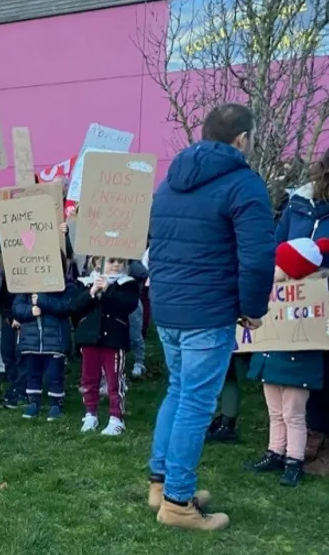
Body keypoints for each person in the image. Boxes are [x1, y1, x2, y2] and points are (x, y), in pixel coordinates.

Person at [147, 103, 276, 531]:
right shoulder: (244, 184)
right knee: (196, 404)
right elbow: (257, 259)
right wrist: (253, 308)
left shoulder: (168, 184)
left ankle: (161, 484)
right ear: (241, 139)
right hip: (208, 310)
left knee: (179, 391)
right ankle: (178, 502)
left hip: (168, 307)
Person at [243, 238, 327, 487]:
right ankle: (275, 452)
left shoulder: (313, 298)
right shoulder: (268, 292)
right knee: (276, 412)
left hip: (297, 364)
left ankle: (294, 460)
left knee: (294, 414)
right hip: (271, 359)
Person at [272, 149, 329, 476]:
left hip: (323, 296)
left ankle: (316, 436)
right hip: (293, 301)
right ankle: (299, 437)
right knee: (299, 364)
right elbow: (279, 244)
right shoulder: (298, 203)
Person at [72, 256, 139, 436]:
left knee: (114, 381)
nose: (116, 265)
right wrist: (92, 292)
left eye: (120, 261)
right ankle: (90, 414)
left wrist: (109, 290)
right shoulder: (84, 283)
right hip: (90, 339)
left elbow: (128, 305)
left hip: (114, 339)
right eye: (111, 261)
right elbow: (75, 306)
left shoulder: (127, 284)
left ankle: (116, 418)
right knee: (89, 380)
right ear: (96, 263)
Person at [14, 257, 76, 421]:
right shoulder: (26, 286)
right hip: (31, 341)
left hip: (55, 340)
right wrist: (30, 310)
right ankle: (33, 402)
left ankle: (56, 404)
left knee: (54, 374)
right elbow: (17, 307)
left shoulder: (66, 286)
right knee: (32, 373)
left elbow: (66, 306)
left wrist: (42, 300)